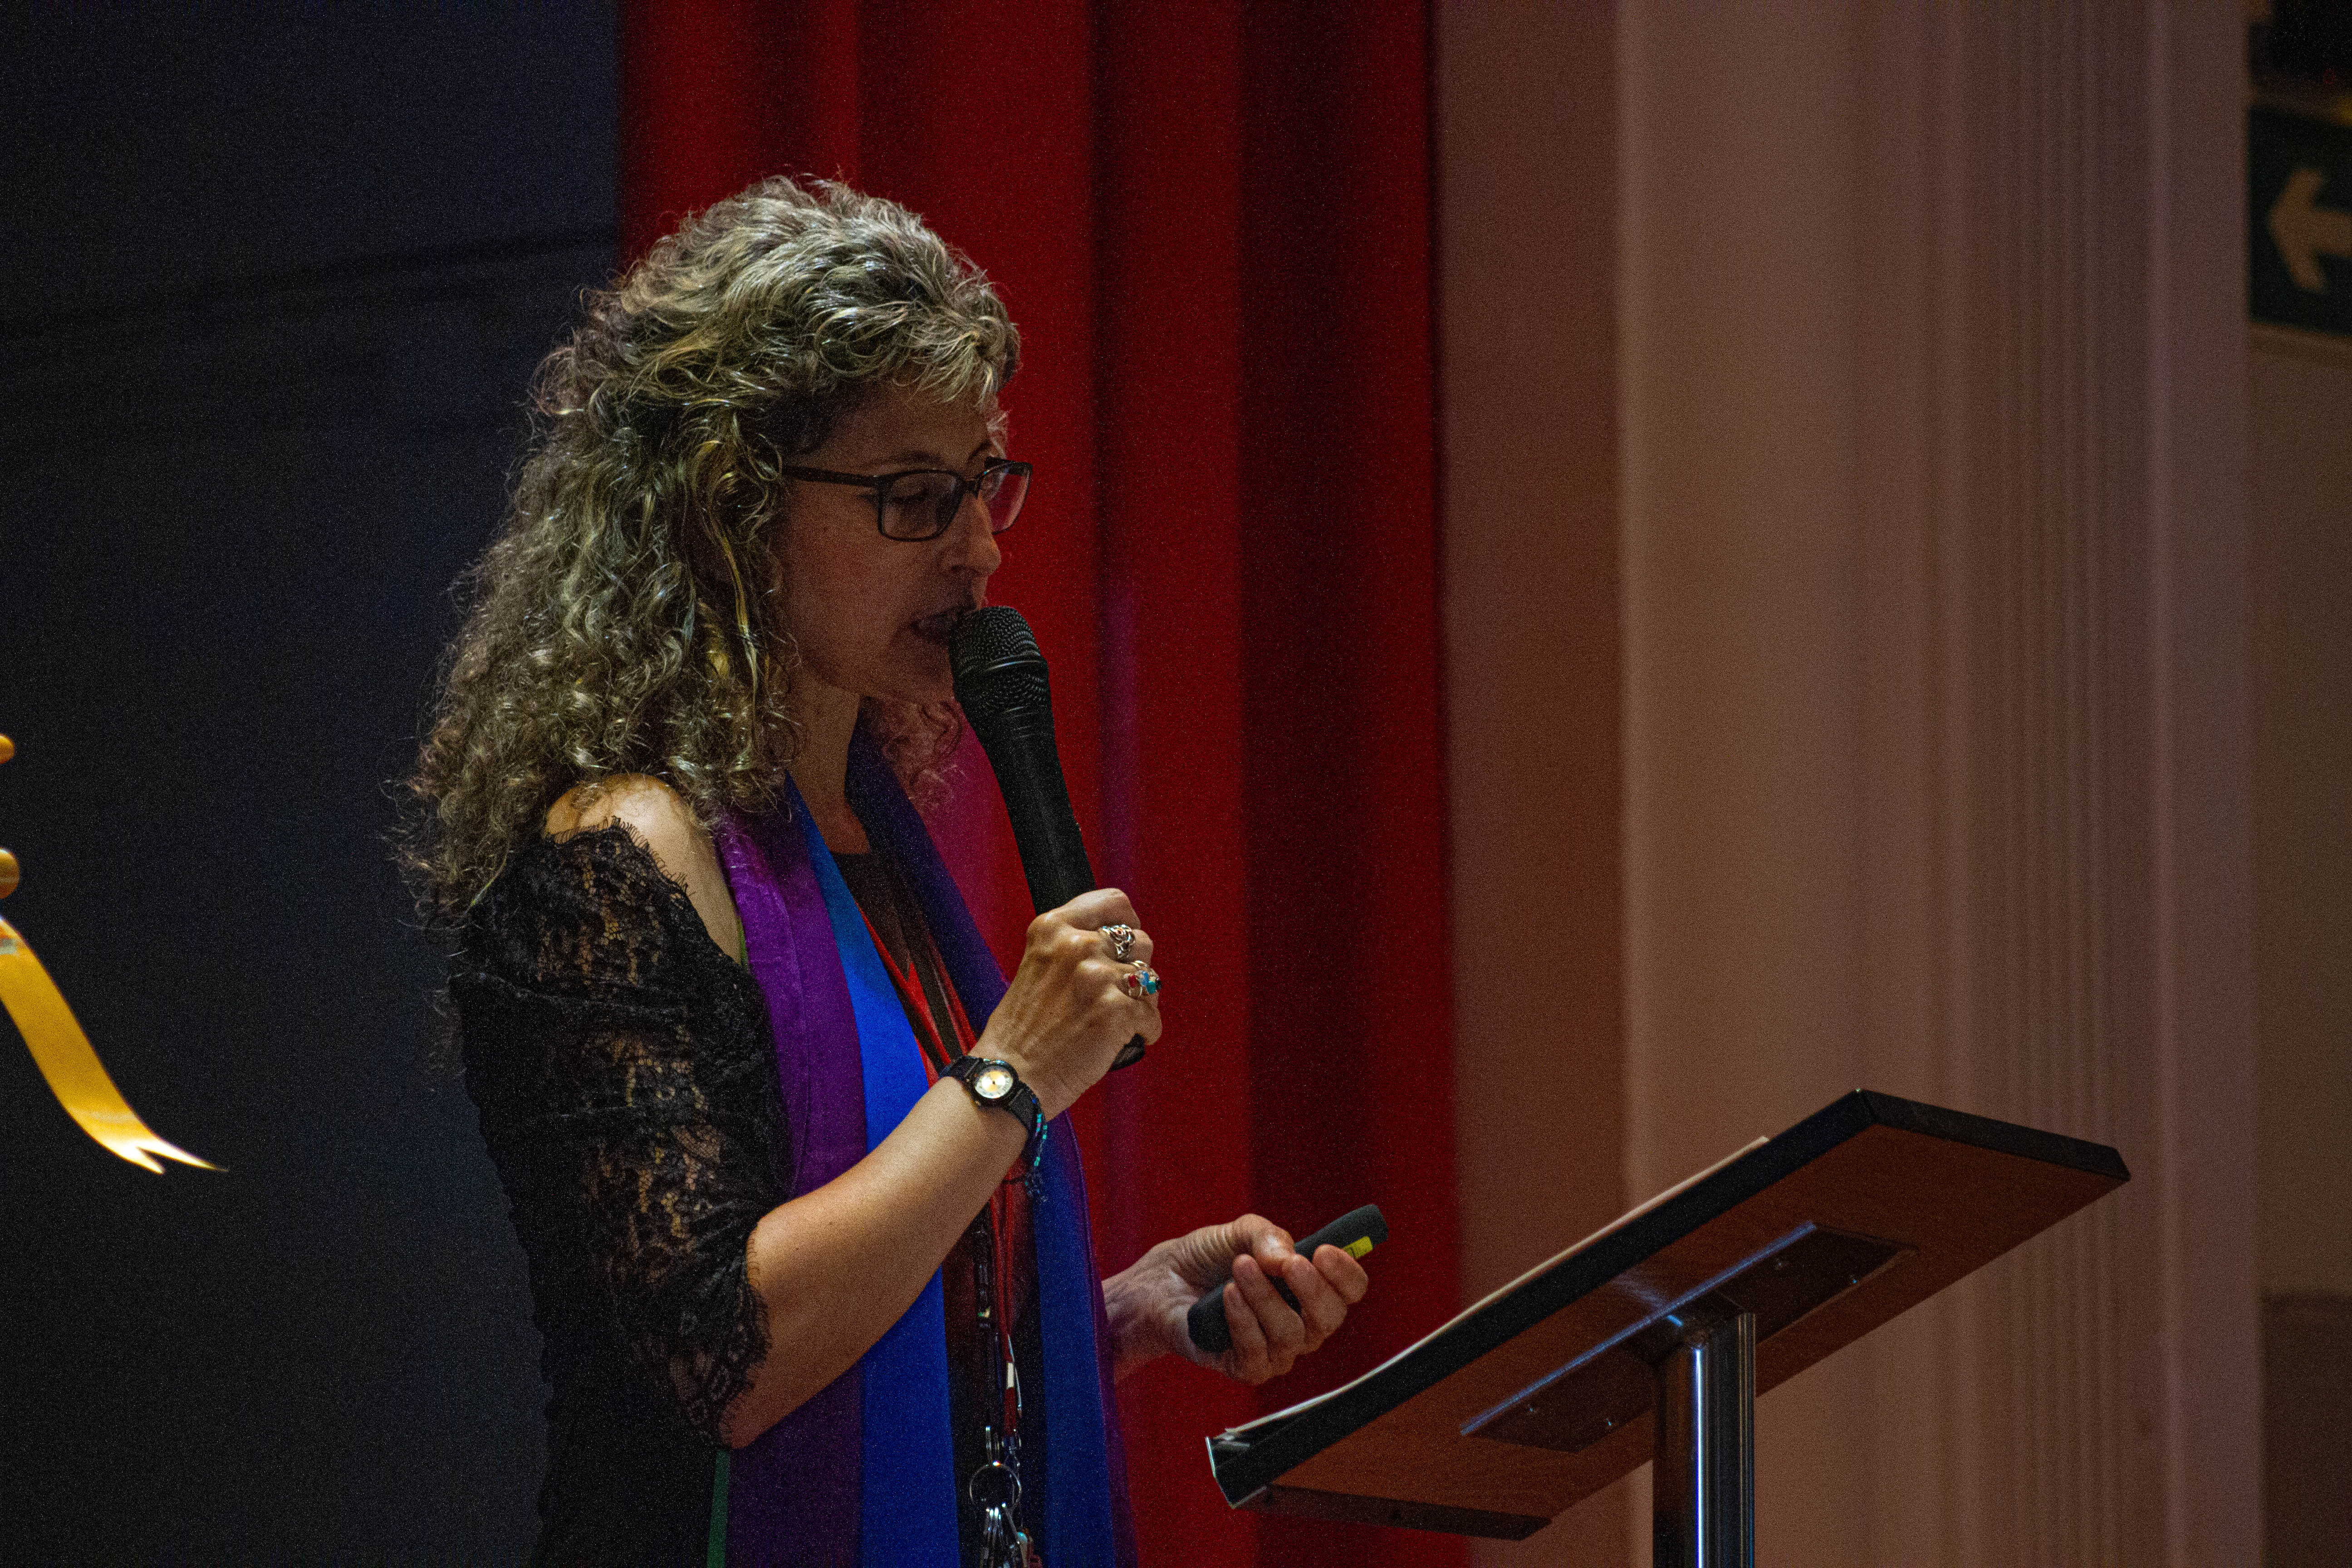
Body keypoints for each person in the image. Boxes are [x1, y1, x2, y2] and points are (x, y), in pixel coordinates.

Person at [400, 177, 1368, 1567]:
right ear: (729, 506)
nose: (980, 548)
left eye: (985, 484)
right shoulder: (614, 858)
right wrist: (1011, 1076)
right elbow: (726, 1364)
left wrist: (1126, 1315)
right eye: (915, 497)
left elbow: (889, 1336)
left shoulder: (864, 837)